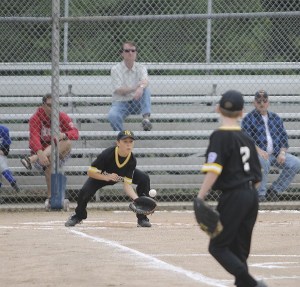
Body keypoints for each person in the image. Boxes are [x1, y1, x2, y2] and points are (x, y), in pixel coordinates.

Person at [196, 90, 267, 287]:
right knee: (239, 248)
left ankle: (252, 284)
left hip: (234, 195)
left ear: (218, 109)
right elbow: (258, 178)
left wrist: (200, 197)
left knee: (217, 246)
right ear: (242, 112)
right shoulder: (247, 139)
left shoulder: (219, 136)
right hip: (251, 195)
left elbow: (214, 170)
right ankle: (244, 284)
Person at [65, 130, 152, 228]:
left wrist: (138, 200)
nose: (128, 145)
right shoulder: (108, 154)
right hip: (100, 176)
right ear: (118, 143)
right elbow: (90, 172)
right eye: (125, 141)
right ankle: (78, 216)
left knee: (144, 178)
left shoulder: (131, 160)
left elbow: (127, 186)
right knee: (84, 192)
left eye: (131, 142)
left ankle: (142, 218)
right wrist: (106, 177)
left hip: (119, 176)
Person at [20, 93, 79, 208]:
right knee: (49, 161)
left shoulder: (62, 116)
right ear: (43, 105)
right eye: (49, 105)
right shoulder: (35, 119)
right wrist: (40, 153)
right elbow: (34, 138)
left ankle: (31, 160)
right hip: (40, 154)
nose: (52, 108)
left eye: (55, 105)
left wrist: (64, 134)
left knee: (67, 141)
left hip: (61, 152)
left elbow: (75, 133)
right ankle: (52, 198)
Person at [242, 90, 300, 202]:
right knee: (264, 162)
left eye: (264, 101)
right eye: (259, 101)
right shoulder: (248, 119)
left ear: (268, 103)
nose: (262, 104)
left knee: (295, 163)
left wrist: (282, 153)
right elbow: (246, 139)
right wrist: (258, 151)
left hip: (276, 154)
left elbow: (284, 138)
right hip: (257, 154)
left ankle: (274, 190)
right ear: (254, 103)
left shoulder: (275, 118)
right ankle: (260, 194)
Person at [107, 41, 152, 131]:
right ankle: (123, 138)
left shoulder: (141, 67)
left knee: (145, 89)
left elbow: (145, 81)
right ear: (122, 54)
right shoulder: (115, 69)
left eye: (133, 50)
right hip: (121, 102)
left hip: (137, 102)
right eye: (127, 51)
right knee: (113, 116)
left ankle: (146, 119)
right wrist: (136, 87)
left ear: (136, 53)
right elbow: (119, 90)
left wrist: (141, 88)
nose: (130, 53)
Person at [0, 125, 21, 193]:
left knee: (1, 164)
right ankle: (12, 181)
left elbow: (5, 151)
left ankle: (12, 182)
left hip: (1, 156)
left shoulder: (3, 130)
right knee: (2, 166)